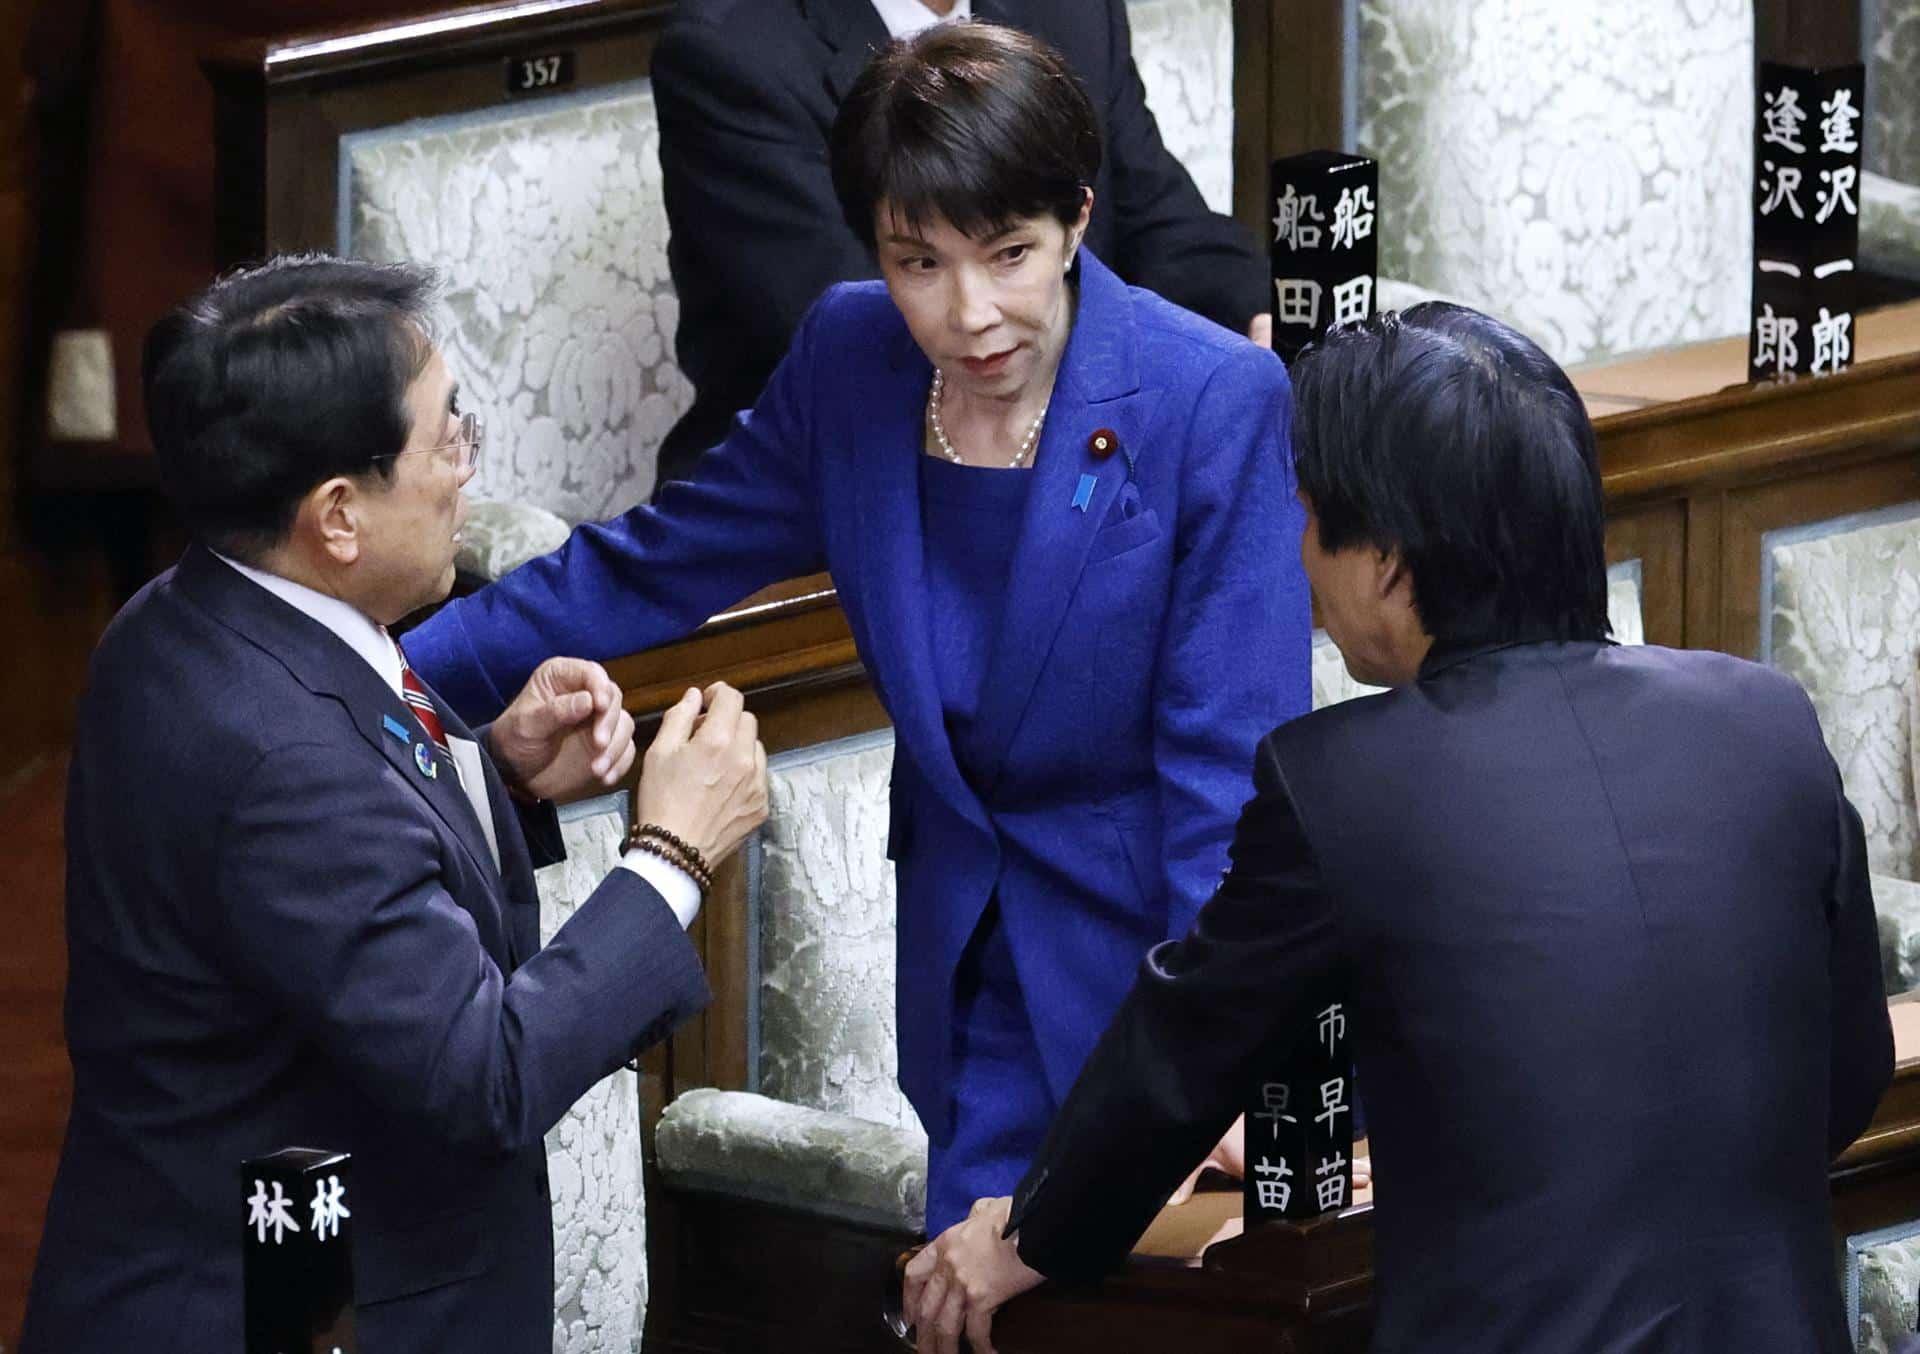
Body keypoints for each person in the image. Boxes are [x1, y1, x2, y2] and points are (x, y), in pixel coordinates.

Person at [402, 23, 1311, 1233]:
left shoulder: (1212, 400)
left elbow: (1229, 788)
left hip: (1149, 981)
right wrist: (377, 682)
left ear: (1078, 220)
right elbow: (651, 565)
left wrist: (1213, 1061)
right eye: (919, 262)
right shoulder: (850, 357)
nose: (970, 311)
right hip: (966, 976)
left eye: (1011, 255)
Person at [904, 303, 1896, 1354]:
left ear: (1383, 560)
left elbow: (1181, 1056)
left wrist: (1031, 1233)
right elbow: (1851, 1068)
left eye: (1311, 520)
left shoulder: (1344, 782)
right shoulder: (1766, 719)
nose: (1301, 563)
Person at [20, 256, 768, 1352]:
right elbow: (486, 1074)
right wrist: (672, 851)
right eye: (443, 439)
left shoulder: (183, 619)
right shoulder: (276, 756)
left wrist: (494, 770)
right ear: (337, 516)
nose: (466, 470)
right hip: (295, 1309)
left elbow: (314, 889)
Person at [647, 0, 1271, 491]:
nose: (976, 304)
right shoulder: (731, 48)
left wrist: (1254, 327)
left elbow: (1158, 217)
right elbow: (863, 328)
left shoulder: (1070, 8)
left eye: (1010, 252)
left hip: (1084, 455)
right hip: (825, 490)